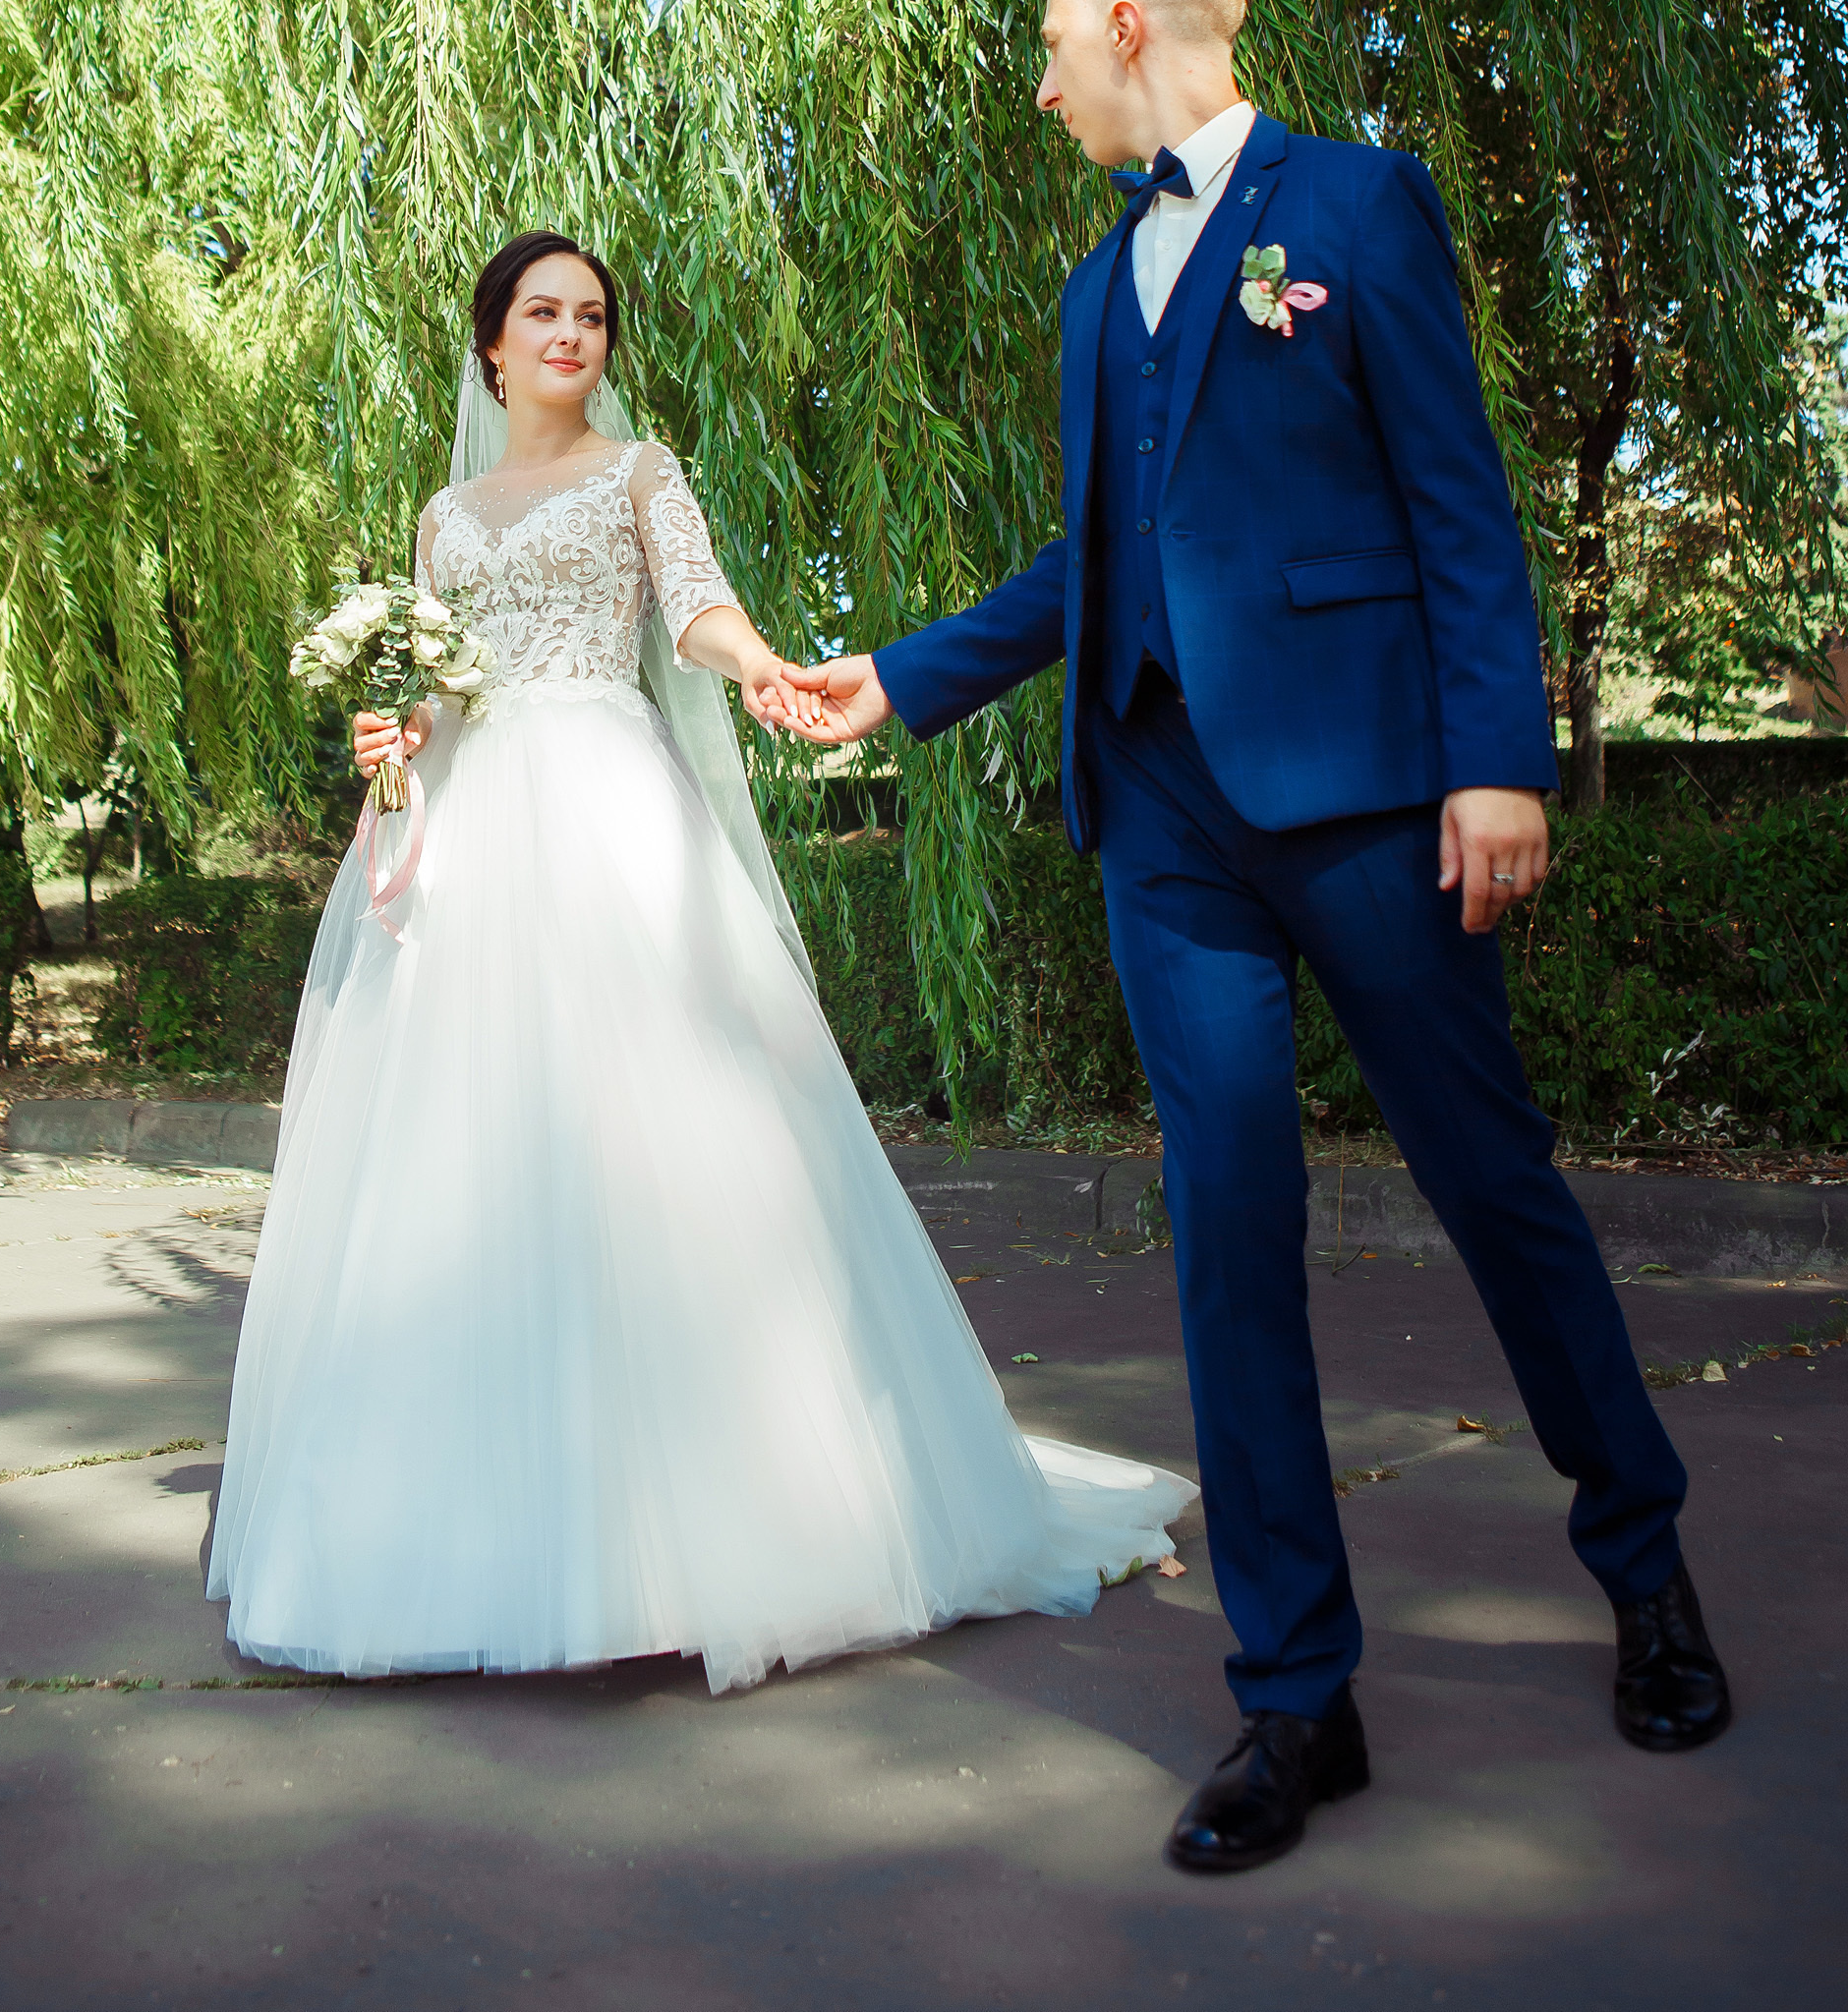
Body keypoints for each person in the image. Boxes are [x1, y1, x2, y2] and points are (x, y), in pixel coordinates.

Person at [779, 0, 1730, 1874]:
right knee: (1223, 1232)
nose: (1036, 83)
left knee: (1492, 1185)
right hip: (1161, 823)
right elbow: (1096, 563)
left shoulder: (1355, 206)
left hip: (1374, 798)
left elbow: (1451, 494)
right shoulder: (1086, 289)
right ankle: (1293, 1693)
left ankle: (1640, 1564)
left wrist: (1494, 759)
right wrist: (903, 675)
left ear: (1126, 25)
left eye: (1050, 42)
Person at [208, 228, 1190, 1692]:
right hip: (478, 842)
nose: (569, 332)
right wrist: (393, 735)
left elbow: (698, 609)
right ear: (489, 343)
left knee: (665, 1144)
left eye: (591, 314)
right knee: (465, 1168)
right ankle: (483, 1525)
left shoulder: (637, 472)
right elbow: (443, 689)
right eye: (540, 311)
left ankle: (719, 1528)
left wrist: (765, 668)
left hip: (606, 816)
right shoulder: (442, 512)